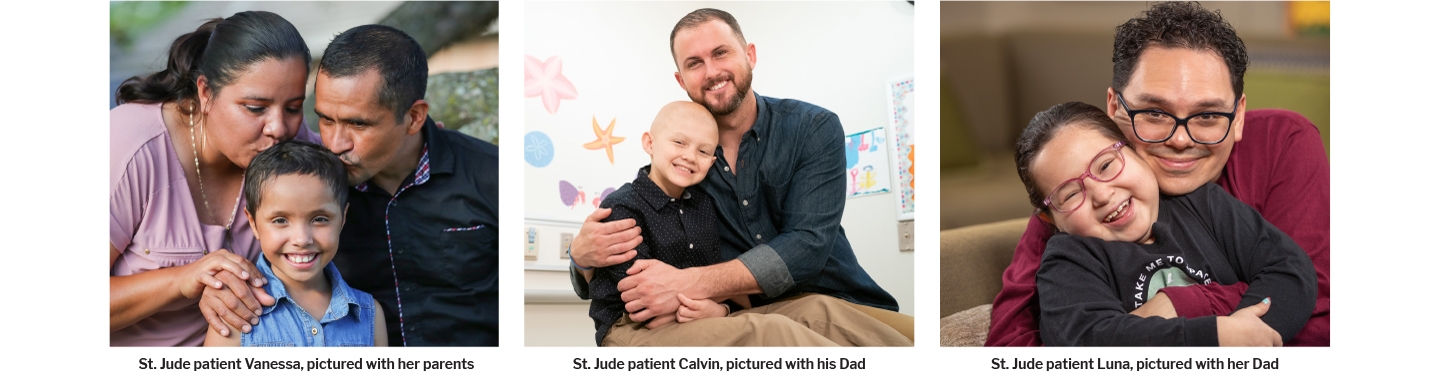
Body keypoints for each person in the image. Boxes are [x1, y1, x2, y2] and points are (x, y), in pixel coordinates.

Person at [987, 1, 1330, 346]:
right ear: (1115, 109)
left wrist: (1177, 304)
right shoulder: (1074, 202)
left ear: (1238, 116)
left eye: (1208, 115)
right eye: (1154, 113)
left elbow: (1310, 301)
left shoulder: (1277, 147)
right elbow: (1016, 344)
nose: (1180, 139)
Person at [568, 8, 913, 344]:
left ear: (750, 55)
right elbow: (628, 268)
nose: (712, 71)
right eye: (694, 63)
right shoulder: (682, 170)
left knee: (916, 337)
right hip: (746, 314)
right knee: (778, 332)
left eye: (721, 53)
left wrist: (692, 288)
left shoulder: (812, 128)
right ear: (681, 79)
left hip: (835, 295)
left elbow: (807, 244)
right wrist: (579, 257)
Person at [203, 24, 500, 346]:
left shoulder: (492, 176)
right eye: (326, 120)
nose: (334, 144)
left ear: (414, 117)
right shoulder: (314, 187)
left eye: (358, 123)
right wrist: (224, 288)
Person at [1016, 102, 1315, 346]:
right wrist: (1212, 340)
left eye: (1106, 165)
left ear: (1134, 149)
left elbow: (1289, 269)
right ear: (1049, 218)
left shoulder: (1205, 204)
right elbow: (1087, 343)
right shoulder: (1068, 260)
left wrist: (1244, 336)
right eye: (1070, 194)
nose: (1102, 195)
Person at [110, 10, 317, 346]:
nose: (279, 128)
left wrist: (422, 143)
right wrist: (183, 279)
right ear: (205, 93)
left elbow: (355, 160)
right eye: (254, 107)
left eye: (293, 107)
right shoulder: (128, 144)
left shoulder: (291, 146)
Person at [205, 141, 387, 347]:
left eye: (320, 219)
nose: (301, 239)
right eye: (280, 220)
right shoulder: (234, 311)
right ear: (253, 223)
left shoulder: (369, 314)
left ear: (343, 218)